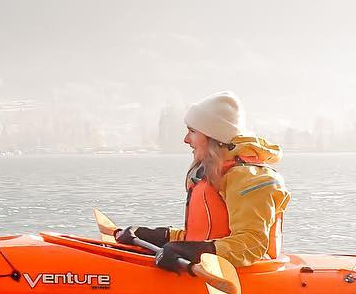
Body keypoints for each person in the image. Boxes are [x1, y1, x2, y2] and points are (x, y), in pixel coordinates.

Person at [116, 92, 289, 271]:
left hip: (248, 275)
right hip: (209, 269)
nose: (186, 139)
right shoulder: (211, 173)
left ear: (213, 137)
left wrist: (196, 252)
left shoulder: (249, 178)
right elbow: (202, 236)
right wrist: (157, 236)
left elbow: (252, 244)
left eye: (192, 131)